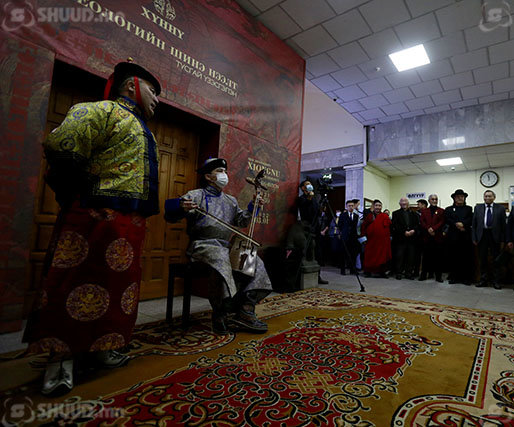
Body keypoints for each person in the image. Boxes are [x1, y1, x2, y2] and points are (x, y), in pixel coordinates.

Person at [22, 60, 162, 396]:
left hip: (130, 225)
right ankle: (60, 357)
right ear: (131, 85)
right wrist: (83, 194)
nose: (157, 99)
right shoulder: (99, 110)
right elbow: (60, 147)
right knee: (73, 283)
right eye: (152, 90)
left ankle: (104, 346)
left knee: (117, 289)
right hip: (92, 217)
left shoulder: (146, 130)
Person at [165, 158, 272, 335]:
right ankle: (221, 312)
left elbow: (241, 221)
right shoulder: (196, 195)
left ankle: (246, 309)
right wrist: (180, 206)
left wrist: (253, 207)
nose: (224, 175)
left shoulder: (230, 200)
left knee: (253, 260)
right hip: (202, 245)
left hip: (225, 246)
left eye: (225, 171)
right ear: (208, 176)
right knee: (221, 259)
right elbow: (169, 214)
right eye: (220, 171)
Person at [295, 180, 328, 284]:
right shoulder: (301, 199)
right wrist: (309, 197)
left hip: (316, 227)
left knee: (317, 251)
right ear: (303, 188)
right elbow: (305, 211)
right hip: (306, 227)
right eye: (307, 184)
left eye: (310, 184)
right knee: (308, 250)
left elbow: (317, 213)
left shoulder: (314, 199)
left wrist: (321, 209)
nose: (310, 186)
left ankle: (317, 275)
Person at [472, 190, 507, 289]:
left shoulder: (500, 208)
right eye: (485, 196)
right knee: (482, 259)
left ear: (494, 197)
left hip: (495, 236)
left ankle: (496, 281)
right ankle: (483, 280)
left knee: (496, 260)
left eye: (489, 196)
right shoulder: (478, 207)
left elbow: (503, 226)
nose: (487, 198)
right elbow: (474, 224)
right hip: (482, 236)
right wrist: (474, 238)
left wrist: (503, 240)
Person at [444, 189, 474, 285]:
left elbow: (471, 219)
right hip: (453, 237)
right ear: (454, 198)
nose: (460, 198)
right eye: (458, 197)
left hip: (465, 237)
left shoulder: (469, 208)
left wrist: (463, 224)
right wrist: (456, 224)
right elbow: (447, 219)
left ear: (464, 198)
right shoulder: (448, 209)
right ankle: (454, 277)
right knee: (453, 258)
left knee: (466, 258)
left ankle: (466, 278)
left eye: (462, 196)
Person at [419, 194, 446, 282]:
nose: (434, 201)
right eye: (432, 199)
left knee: (438, 258)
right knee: (426, 258)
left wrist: (433, 229)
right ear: (429, 201)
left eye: (436, 199)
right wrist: (428, 229)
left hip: (437, 237)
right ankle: (423, 275)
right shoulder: (424, 211)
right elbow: (422, 221)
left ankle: (438, 276)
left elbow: (442, 222)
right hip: (427, 237)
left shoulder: (441, 211)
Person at [392, 197, 420, 280]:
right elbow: (395, 225)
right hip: (400, 239)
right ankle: (399, 273)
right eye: (402, 201)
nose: (404, 203)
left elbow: (417, 225)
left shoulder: (415, 214)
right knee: (399, 257)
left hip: (412, 239)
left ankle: (408, 273)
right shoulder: (395, 213)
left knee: (410, 257)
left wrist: (413, 231)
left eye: (405, 201)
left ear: (408, 203)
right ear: (400, 204)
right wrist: (404, 232)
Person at [362, 200, 392, 278]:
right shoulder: (369, 216)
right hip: (371, 241)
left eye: (379, 205)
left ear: (381, 207)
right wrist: (363, 238)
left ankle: (382, 272)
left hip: (382, 241)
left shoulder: (384, 216)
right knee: (369, 256)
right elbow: (364, 227)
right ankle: (368, 272)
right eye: (376, 205)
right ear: (373, 206)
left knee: (382, 257)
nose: (378, 207)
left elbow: (388, 228)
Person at [338, 200, 359, 275]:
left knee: (353, 254)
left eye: (352, 206)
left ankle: (352, 270)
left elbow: (355, 227)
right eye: (349, 206)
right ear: (346, 207)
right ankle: (342, 270)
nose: (351, 207)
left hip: (353, 237)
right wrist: (341, 234)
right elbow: (339, 225)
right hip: (345, 237)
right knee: (343, 254)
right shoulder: (342, 215)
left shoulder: (356, 216)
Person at [413, 199, 429, 279]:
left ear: (423, 205)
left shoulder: (429, 213)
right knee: (417, 256)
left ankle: (427, 273)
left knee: (427, 256)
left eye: (418, 204)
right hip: (418, 238)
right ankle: (416, 272)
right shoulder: (415, 214)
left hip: (427, 237)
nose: (417, 206)